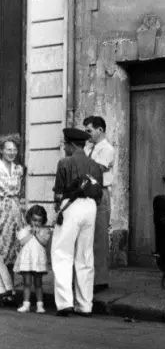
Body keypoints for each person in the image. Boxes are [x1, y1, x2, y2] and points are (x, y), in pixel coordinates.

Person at [51, 128, 104, 316]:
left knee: (62, 253)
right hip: (90, 207)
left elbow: (58, 193)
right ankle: (85, 304)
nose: (64, 147)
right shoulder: (95, 165)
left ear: (72, 145)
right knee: (85, 256)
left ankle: (65, 303)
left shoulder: (64, 163)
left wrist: (58, 207)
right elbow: (99, 193)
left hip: (70, 206)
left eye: (65, 144)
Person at [84, 116, 114, 290]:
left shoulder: (107, 149)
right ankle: (90, 276)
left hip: (100, 193)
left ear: (100, 130)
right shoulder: (91, 148)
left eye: (89, 130)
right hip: (90, 192)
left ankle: (100, 280)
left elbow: (96, 170)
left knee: (100, 236)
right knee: (90, 235)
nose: (87, 134)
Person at [0, 134, 25, 304]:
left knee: (12, 252)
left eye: (14, 149)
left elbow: (20, 192)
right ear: (1, 150)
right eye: (8, 149)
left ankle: (9, 290)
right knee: (0, 249)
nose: (12, 152)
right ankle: (3, 288)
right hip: (1, 209)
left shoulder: (19, 169)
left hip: (15, 213)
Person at [15, 205, 50, 314]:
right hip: (27, 260)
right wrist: (31, 234)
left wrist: (37, 234)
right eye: (34, 220)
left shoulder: (44, 231)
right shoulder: (25, 230)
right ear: (30, 218)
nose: (36, 223)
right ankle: (26, 304)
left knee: (38, 283)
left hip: (37, 261)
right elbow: (22, 242)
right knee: (27, 282)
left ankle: (40, 305)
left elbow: (45, 243)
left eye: (39, 221)